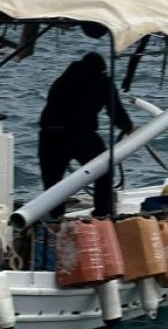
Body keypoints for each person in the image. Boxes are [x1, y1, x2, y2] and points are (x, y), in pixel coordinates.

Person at [38, 51, 133, 219]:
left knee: (52, 182)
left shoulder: (63, 80)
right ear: (102, 70)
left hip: (50, 135)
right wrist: (129, 128)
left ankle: (55, 218)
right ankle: (102, 213)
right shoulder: (102, 82)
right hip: (80, 134)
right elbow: (115, 111)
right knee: (103, 171)